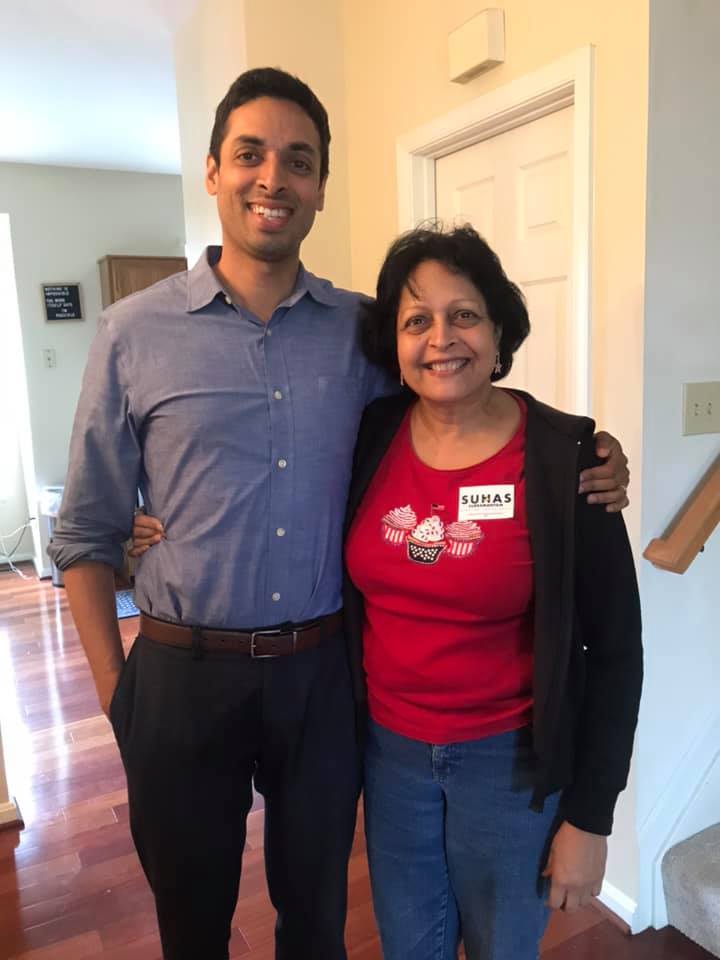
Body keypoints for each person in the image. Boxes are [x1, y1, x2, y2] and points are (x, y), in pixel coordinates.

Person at [49, 66, 630, 960]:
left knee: (315, 917)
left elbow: (458, 396)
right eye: (249, 154)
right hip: (179, 671)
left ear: (321, 186)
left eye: (299, 160)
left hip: (319, 677)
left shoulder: (363, 331)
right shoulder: (132, 333)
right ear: (212, 171)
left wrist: (584, 453)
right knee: (191, 924)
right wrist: (117, 696)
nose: (272, 179)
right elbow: (85, 533)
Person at [342, 225, 642, 960]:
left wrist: (592, 817)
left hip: (509, 766)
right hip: (390, 756)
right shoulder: (368, 434)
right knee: (410, 948)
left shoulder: (566, 457)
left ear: (500, 327)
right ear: (396, 342)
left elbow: (616, 651)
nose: (442, 338)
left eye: (464, 314)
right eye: (417, 321)